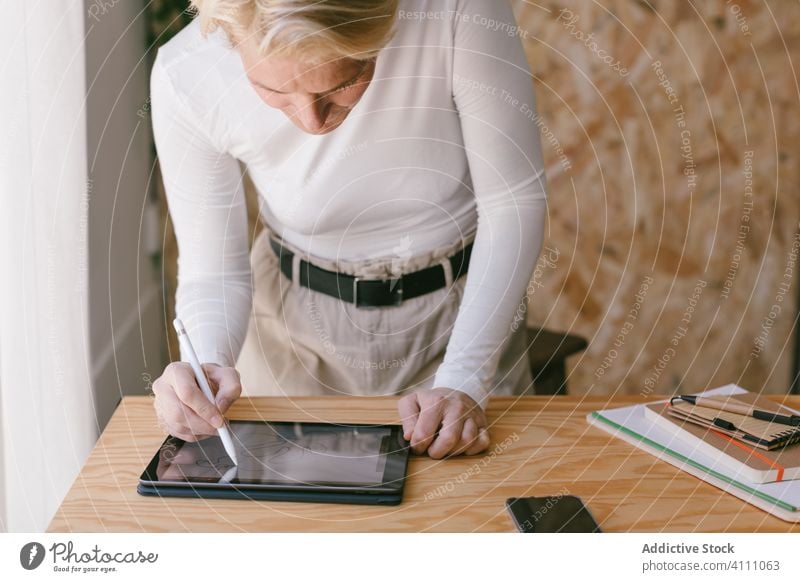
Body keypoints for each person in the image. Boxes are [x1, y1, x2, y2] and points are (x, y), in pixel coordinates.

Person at [150, 0, 547, 459]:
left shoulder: (454, 11)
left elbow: (512, 202)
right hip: (289, 333)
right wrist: (205, 362)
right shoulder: (186, 74)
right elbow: (212, 271)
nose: (313, 121)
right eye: (274, 91)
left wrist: (465, 379)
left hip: (459, 317)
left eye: (339, 84)